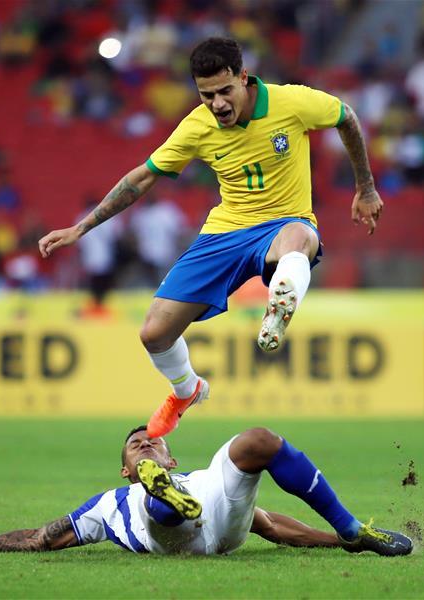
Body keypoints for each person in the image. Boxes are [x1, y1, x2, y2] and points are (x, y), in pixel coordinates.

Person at [38, 38, 383, 438]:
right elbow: (143, 178)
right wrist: (81, 227)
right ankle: (186, 390)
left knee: (299, 236)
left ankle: (279, 306)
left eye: (224, 91)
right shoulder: (197, 126)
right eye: (206, 95)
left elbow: (346, 117)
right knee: (154, 333)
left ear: (243, 77)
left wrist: (366, 187)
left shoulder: (292, 102)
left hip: (283, 223)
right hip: (225, 231)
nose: (217, 104)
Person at [0, 426, 412, 557]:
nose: (146, 443)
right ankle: (165, 502)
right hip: (172, 534)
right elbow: (42, 537)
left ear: (171, 459)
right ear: (125, 470)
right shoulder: (109, 505)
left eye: (153, 442)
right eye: (135, 446)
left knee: (258, 441)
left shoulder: (203, 478)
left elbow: (271, 526)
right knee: (155, 508)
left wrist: (340, 544)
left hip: (219, 522)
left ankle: (352, 528)